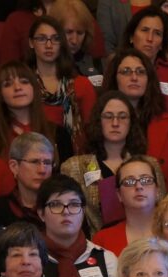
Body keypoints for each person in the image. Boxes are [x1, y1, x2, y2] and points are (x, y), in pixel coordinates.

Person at [37, 174, 120, 277]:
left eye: (74, 204)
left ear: (83, 211)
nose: (66, 211)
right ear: (41, 213)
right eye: (56, 205)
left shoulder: (105, 258)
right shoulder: (30, 259)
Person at [61, 91, 147, 236]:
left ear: (131, 122)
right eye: (108, 116)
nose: (115, 123)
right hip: (93, 246)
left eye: (122, 116)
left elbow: (159, 213)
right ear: (98, 121)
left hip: (140, 245)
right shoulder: (74, 167)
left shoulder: (147, 166)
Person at [102, 48, 168, 190]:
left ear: (149, 79)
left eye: (140, 72)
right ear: (114, 78)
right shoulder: (102, 121)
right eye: (126, 71)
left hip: (161, 204)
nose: (134, 77)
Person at [121, 6, 168, 143]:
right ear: (131, 36)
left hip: (165, 149)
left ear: (161, 44)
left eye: (157, 33)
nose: (150, 38)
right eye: (144, 30)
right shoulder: (117, 68)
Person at [0, 61, 72, 167]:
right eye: (8, 84)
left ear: (34, 88)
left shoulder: (58, 134)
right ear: (0, 94)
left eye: (24, 82)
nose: (17, 88)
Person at [27, 15, 97, 153]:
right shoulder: (24, 85)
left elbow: (93, 129)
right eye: (41, 39)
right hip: (34, 156)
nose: (49, 45)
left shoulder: (81, 85)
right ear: (31, 42)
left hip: (76, 160)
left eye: (55, 39)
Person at [92, 155, 166, 257]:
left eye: (146, 180)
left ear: (157, 190)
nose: (139, 186)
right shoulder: (103, 240)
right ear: (119, 194)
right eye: (129, 182)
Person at [0, 132, 53, 229]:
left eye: (47, 163)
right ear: (14, 166)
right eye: (34, 162)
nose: (42, 170)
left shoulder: (61, 207)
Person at [51, 0, 104, 86]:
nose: (74, 40)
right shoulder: (45, 65)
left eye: (80, 33)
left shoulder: (94, 63)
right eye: (69, 32)